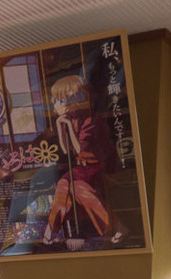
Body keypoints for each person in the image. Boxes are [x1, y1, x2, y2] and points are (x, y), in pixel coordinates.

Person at [42, 75, 121, 246]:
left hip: (97, 167)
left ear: (73, 101)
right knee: (69, 186)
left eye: (59, 101)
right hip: (82, 169)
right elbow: (66, 150)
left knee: (72, 185)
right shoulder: (72, 119)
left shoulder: (91, 121)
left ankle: (52, 228)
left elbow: (80, 149)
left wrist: (69, 127)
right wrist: (60, 127)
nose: (55, 105)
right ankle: (113, 228)